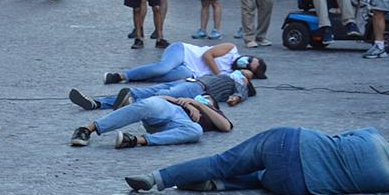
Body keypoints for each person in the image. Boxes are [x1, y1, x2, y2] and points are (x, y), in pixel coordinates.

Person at [124, 128, 389, 195]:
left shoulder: (374, 137)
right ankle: (221, 185)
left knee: (224, 160)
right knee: (261, 176)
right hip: (295, 186)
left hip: (290, 142)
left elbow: (342, 135)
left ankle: (158, 178)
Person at [70, 92, 232, 150]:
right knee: (149, 104)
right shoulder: (183, 101)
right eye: (201, 97)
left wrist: (199, 105)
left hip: (180, 125)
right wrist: (184, 101)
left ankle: (135, 140)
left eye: (206, 99)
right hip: (170, 108)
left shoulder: (214, 112)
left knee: (196, 131)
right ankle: (87, 129)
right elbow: (159, 97)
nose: (202, 98)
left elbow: (225, 126)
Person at [69, 66, 256, 112]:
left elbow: (235, 99)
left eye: (248, 71)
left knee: (159, 96)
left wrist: (236, 97)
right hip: (189, 81)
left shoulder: (241, 85)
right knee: (144, 92)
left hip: (197, 89)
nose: (243, 68)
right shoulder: (229, 74)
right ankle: (96, 103)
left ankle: (124, 107)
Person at [104, 41, 264, 85]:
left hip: (191, 72)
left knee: (163, 78)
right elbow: (208, 56)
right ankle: (120, 75)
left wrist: (247, 73)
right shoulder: (231, 49)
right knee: (162, 69)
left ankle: (137, 77)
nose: (246, 62)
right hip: (184, 52)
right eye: (250, 59)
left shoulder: (234, 74)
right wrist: (220, 74)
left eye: (249, 65)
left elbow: (244, 81)